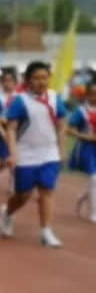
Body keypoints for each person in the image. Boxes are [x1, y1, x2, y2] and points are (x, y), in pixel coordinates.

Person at [0, 61, 68, 247]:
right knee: (23, 195)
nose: (41, 82)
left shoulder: (55, 98)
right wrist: (13, 153)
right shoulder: (20, 101)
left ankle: (46, 231)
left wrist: (61, 150)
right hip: (26, 154)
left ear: (49, 78)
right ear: (28, 80)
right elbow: (11, 129)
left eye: (44, 78)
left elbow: (62, 124)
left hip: (49, 154)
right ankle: (7, 212)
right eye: (36, 78)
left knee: (47, 192)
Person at [67, 80, 96, 223]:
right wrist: (86, 136)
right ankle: (93, 213)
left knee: (94, 182)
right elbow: (69, 129)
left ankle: (82, 198)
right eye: (92, 94)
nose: (94, 97)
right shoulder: (81, 111)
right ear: (87, 95)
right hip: (86, 149)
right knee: (94, 179)